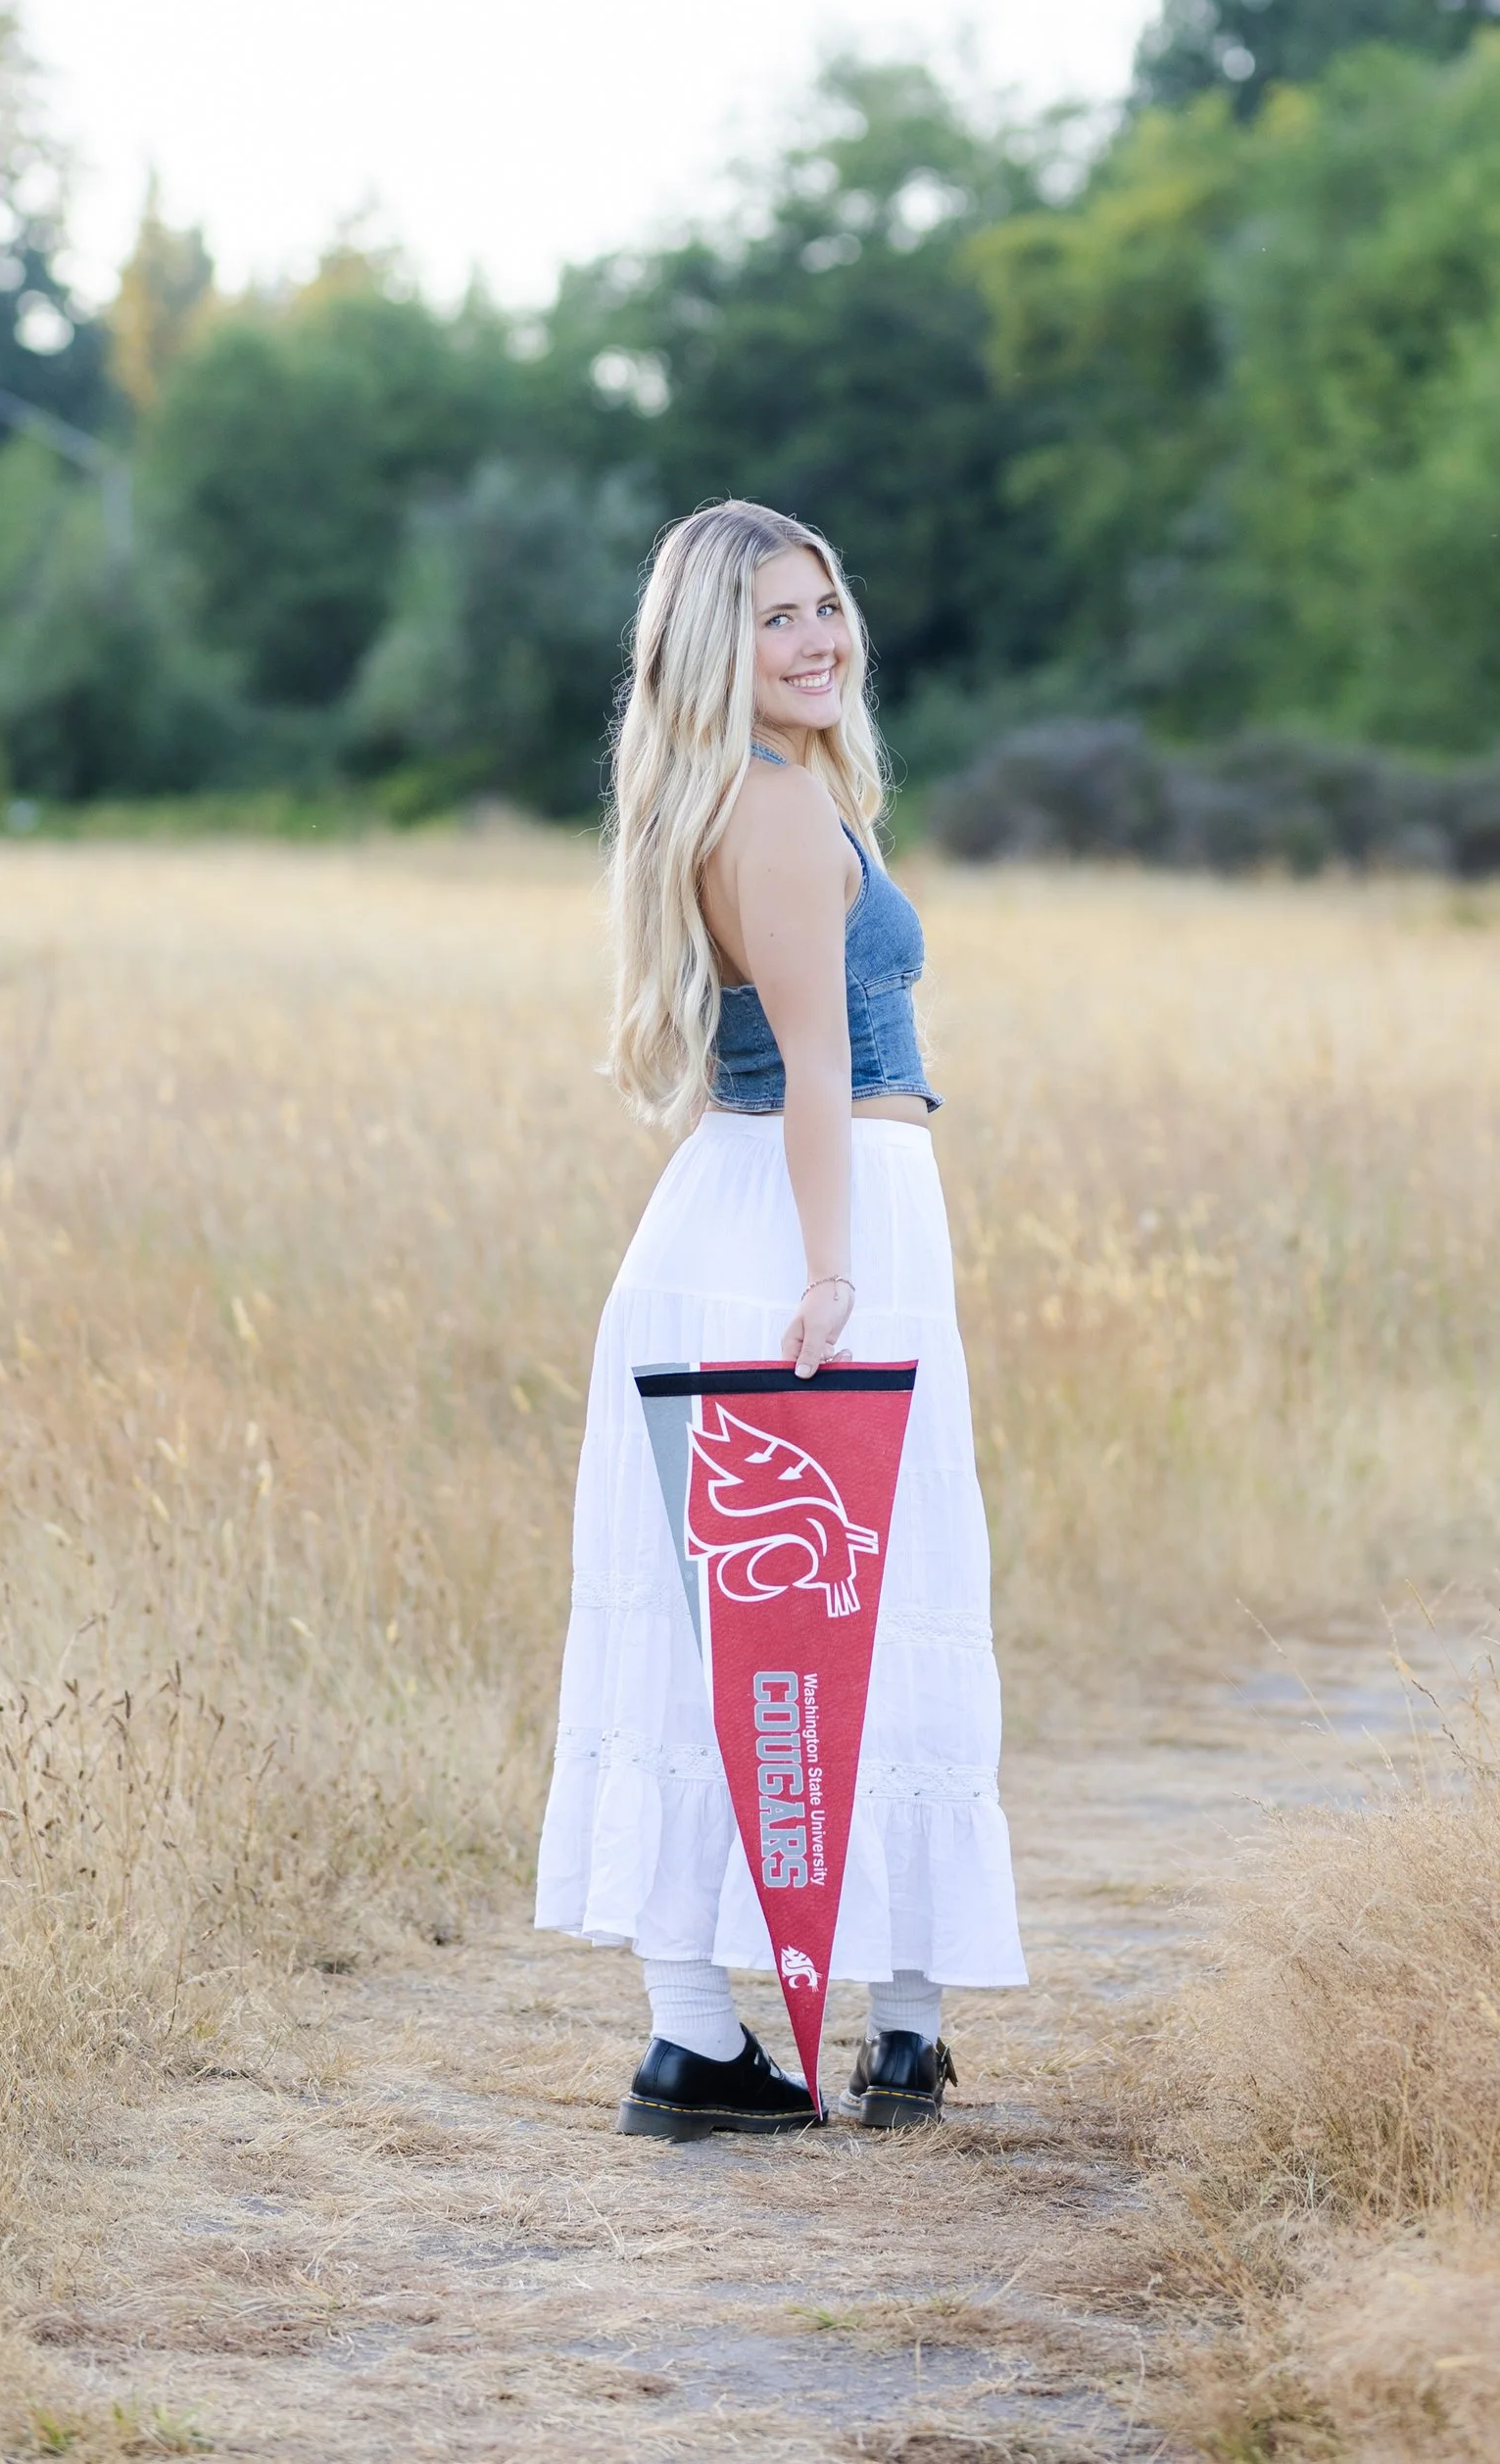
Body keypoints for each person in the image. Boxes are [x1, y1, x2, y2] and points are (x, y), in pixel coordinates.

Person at [535, 498, 1026, 2136]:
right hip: (817, 1219)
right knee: (859, 1609)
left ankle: (761, 2033)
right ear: (708, 651)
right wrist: (832, 1271)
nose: (819, 638)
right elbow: (820, 1066)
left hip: (740, 1208)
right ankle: (858, 2026)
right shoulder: (781, 814)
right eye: (776, 619)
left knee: (743, 1634)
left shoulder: (749, 797)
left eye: (826, 604)